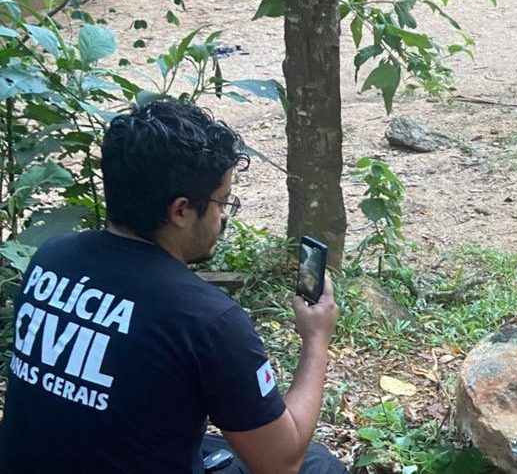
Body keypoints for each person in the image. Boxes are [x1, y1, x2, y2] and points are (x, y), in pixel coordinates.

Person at [0, 101, 346, 474]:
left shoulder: (51, 259)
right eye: (222, 201)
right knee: (317, 466)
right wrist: (316, 340)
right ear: (181, 211)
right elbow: (281, 463)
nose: (224, 214)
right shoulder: (206, 320)